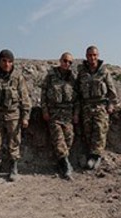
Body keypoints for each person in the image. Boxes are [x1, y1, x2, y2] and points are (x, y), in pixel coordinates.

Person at [0, 49, 31, 182]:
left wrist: (26, 117)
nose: (7, 64)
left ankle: (13, 169)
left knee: (14, 142)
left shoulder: (17, 77)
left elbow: (25, 99)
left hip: (13, 115)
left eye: (10, 61)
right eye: (4, 61)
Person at [76, 45, 118, 170]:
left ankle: (96, 156)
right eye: (90, 55)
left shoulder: (104, 71)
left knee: (99, 131)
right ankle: (91, 154)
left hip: (100, 105)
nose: (92, 58)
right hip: (86, 106)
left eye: (94, 55)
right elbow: (77, 92)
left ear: (97, 56)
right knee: (88, 131)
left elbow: (112, 91)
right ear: (86, 56)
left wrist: (111, 104)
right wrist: (77, 110)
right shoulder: (82, 72)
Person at [40, 52, 77, 180]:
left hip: (67, 115)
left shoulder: (72, 78)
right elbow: (43, 95)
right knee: (59, 139)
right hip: (54, 114)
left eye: (70, 62)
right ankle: (66, 167)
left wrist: (76, 114)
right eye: (65, 61)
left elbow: (77, 98)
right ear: (60, 60)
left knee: (69, 138)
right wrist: (44, 111)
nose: (67, 64)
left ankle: (61, 162)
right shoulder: (50, 76)